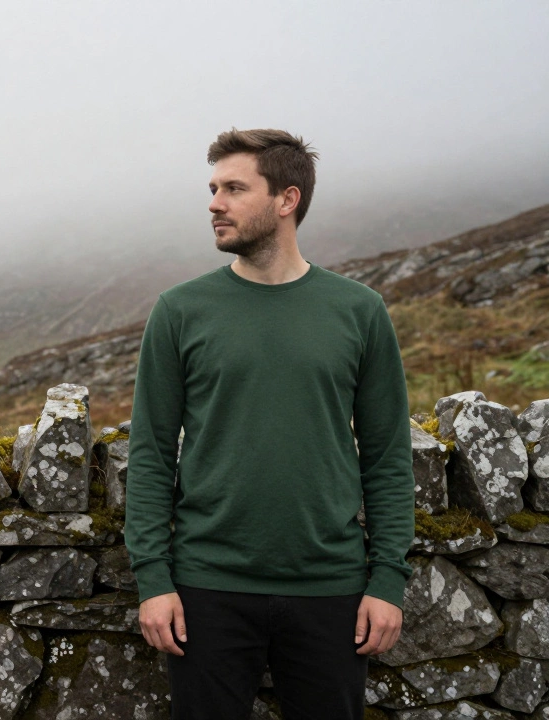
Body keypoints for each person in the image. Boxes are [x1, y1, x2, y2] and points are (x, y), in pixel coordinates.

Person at [124, 128, 414, 719]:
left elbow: (387, 456)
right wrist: (154, 579)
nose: (214, 203)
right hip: (207, 589)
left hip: (331, 588)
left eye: (234, 188)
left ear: (287, 200)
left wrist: (387, 581)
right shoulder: (180, 311)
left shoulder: (358, 311)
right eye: (212, 188)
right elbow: (152, 452)